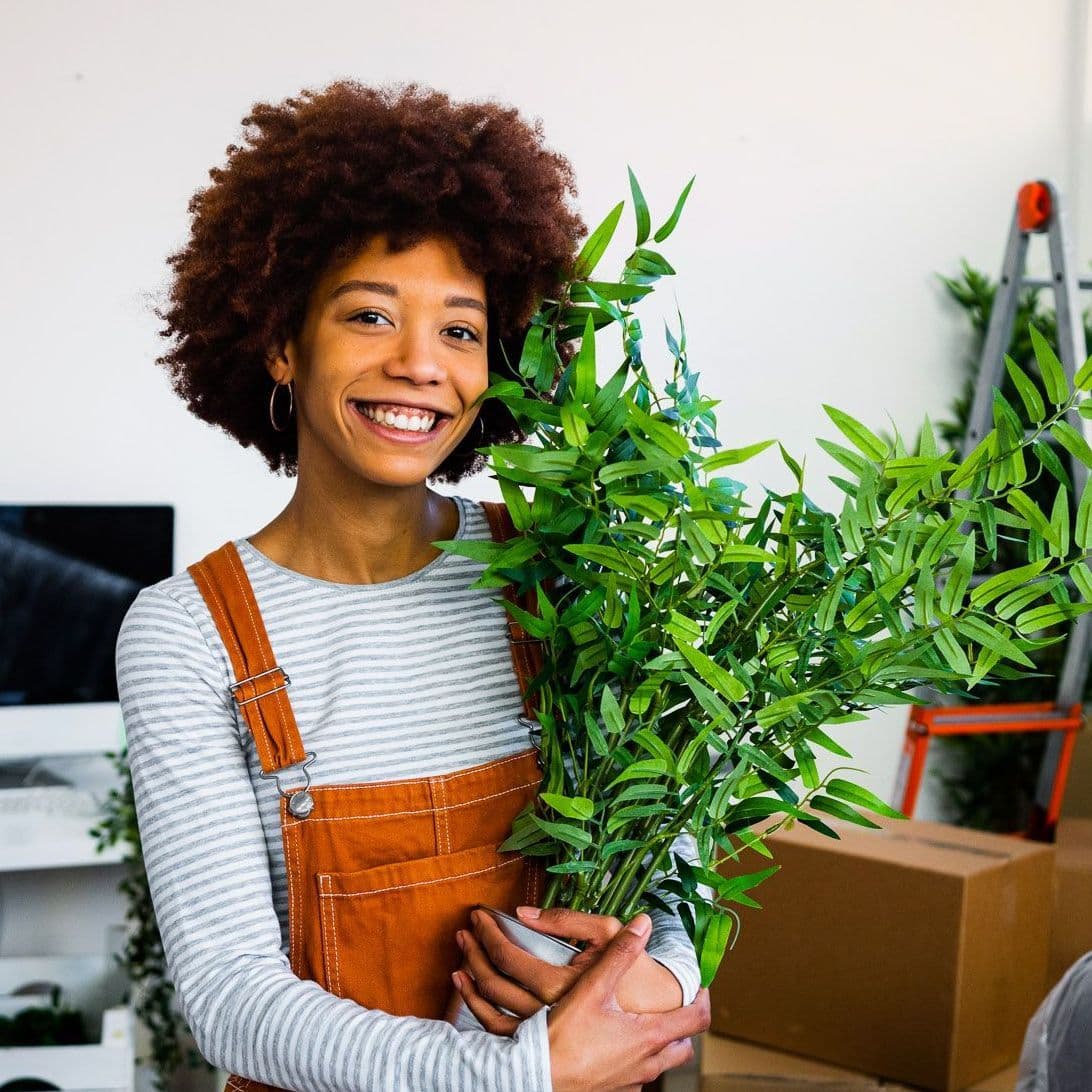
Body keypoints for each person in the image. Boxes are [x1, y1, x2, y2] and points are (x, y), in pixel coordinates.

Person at [115, 78, 711, 1092]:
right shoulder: (187, 635)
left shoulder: (560, 572)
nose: (419, 365)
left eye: (462, 331)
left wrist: (654, 984)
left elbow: (670, 869)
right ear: (280, 340)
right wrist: (526, 1073)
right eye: (369, 315)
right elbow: (227, 999)